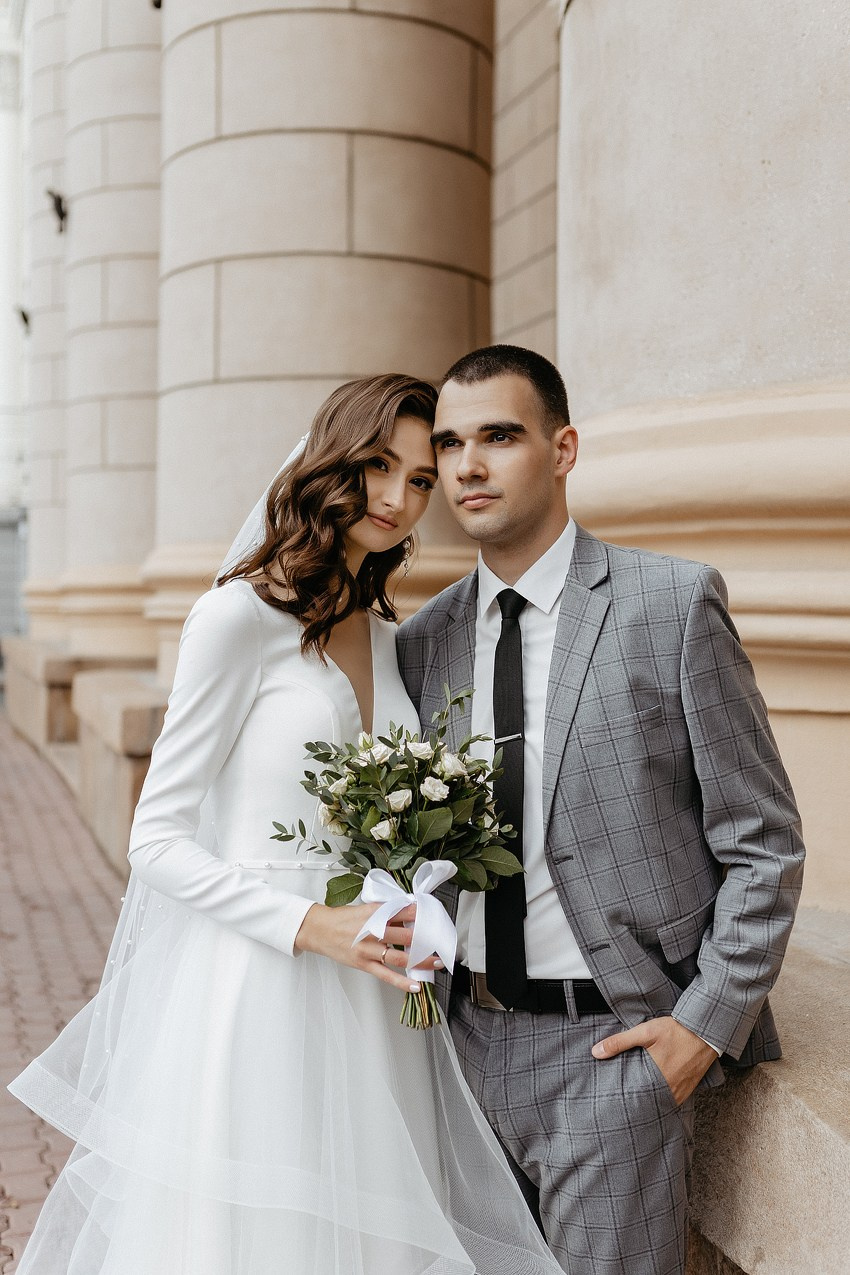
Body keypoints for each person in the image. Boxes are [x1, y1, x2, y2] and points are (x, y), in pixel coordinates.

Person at [7, 374, 562, 1275]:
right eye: (381, 466)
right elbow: (156, 839)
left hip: (376, 1001)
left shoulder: (383, 630)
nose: (398, 498)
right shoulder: (236, 617)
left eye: (421, 480)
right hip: (262, 985)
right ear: (332, 462)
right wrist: (314, 924)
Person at [397, 344, 805, 1275]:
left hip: (612, 1052)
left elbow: (763, 842)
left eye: (499, 436)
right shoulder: (421, 646)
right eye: (451, 443)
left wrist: (701, 1028)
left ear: (563, 447)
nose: (468, 465)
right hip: (459, 1056)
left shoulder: (670, 604)